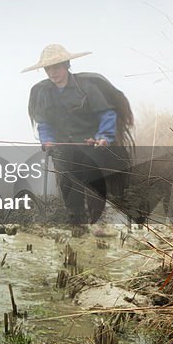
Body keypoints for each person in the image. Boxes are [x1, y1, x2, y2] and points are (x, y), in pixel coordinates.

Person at [23, 44, 131, 225]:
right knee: (67, 183)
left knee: (94, 182)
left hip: (90, 144)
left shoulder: (87, 87)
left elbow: (106, 113)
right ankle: (77, 223)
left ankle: (99, 222)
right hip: (62, 147)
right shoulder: (43, 92)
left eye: (56, 67)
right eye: (48, 68)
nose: (52, 72)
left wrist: (104, 136)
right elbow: (44, 123)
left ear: (66, 65)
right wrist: (47, 141)